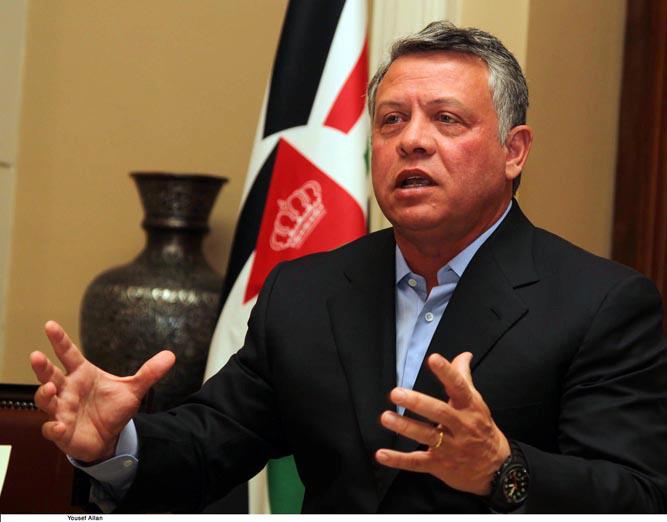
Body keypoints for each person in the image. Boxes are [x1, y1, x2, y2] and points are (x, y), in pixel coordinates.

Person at [30, 21, 667, 513]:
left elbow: (639, 498)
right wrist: (119, 443)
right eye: (392, 121)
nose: (412, 140)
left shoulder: (601, 304)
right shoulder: (306, 291)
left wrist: (503, 469)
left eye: (446, 119)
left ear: (514, 151)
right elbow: (214, 439)